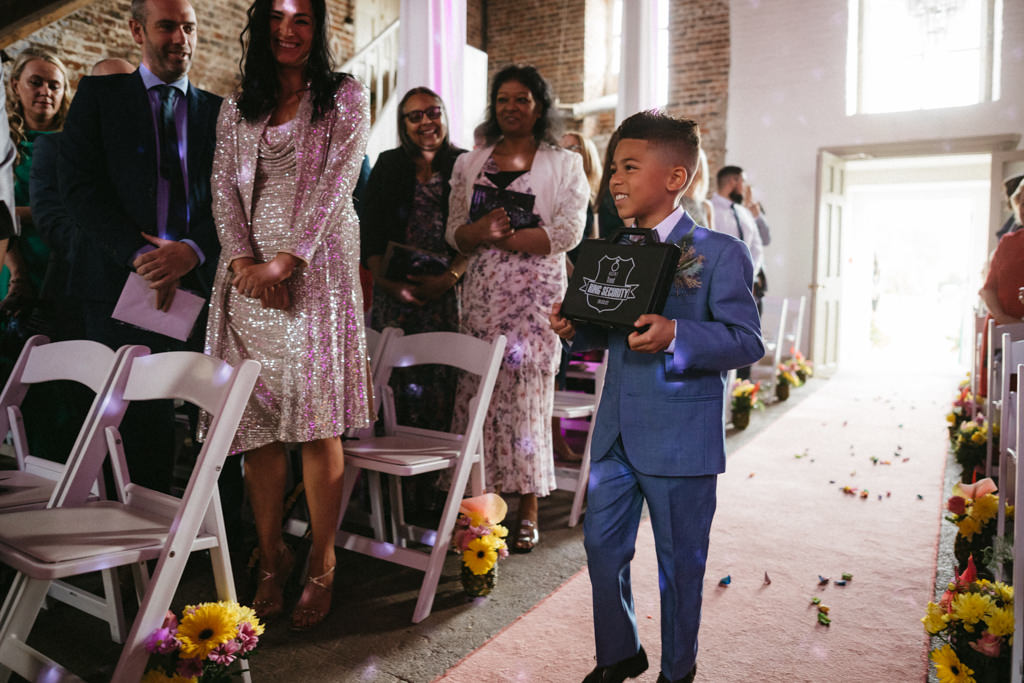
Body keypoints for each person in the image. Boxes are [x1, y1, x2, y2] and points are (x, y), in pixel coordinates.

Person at [549, 111, 763, 683]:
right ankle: (620, 652)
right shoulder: (614, 248)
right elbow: (609, 329)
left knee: (679, 565)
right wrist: (578, 330)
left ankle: (678, 671)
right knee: (601, 546)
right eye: (613, 168)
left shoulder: (719, 253)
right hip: (616, 429)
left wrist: (678, 335)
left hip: (680, 439)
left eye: (629, 167)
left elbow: (748, 341)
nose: (615, 180)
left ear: (676, 178)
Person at [204, 0, 371, 631]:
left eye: (301, 18)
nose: (287, 29)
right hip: (247, 278)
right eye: (276, 17)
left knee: (316, 420)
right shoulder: (235, 105)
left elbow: (338, 181)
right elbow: (222, 186)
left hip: (317, 272)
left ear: (318, 28)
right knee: (258, 424)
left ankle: (322, 563)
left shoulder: (343, 97)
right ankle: (271, 558)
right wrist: (245, 259)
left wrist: (287, 260)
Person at [58, 0, 222, 495]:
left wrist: (192, 249)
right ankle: (125, 547)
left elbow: (233, 199)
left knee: (209, 413)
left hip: (197, 284)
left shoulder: (218, 112)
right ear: (136, 30)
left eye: (189, 28)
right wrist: (141, 256)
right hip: (116, 283)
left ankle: (204, 533)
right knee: (129, 420)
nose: (180, 38)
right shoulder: (100, 96)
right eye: (167, 26)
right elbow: (79, 188)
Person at [446, 64, 589, 553]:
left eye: (522, 99)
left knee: (529, 398)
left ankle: (527, 508)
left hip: (536, 296)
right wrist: (479, 233)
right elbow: (454, 232)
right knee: (480, 396)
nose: (511, 107)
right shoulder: (470, 162)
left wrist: (506, 237)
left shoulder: (564, 163)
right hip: (484, 292)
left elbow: (568, 232)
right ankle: (480, 509)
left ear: (539, 106)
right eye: (503, 99)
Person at [361, 87, 466, 431]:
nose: (426, 122)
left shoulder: (465, 164)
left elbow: (475, 238)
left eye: (433, 112)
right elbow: (370, 232)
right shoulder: (389, 164)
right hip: (395, 295)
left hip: (448, 296)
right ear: (403, 123)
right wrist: (387, 284)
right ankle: (389, 481)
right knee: (392, 386)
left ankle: (435, 481)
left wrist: (447, 278)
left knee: (441, 385)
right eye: (415, 116)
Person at [2, 48, 70, 350]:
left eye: (54, 85)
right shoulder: (5, 145)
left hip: (61, 265)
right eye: (36, 82)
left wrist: (16, 213)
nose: (45, 91)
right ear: (16, 85)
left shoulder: (73, 147)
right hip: (11, 261)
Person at [978, 177, 1024, 396]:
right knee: (1006, 399)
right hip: (1004, 329)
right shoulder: (1008, 242)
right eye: (1021, 202)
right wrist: (1005, 320)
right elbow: (988, 289)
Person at [680, 148, 713, 230]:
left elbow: (712, 240)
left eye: (697, 165)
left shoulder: (706, 206)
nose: (694, 170)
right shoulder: (671, 201)